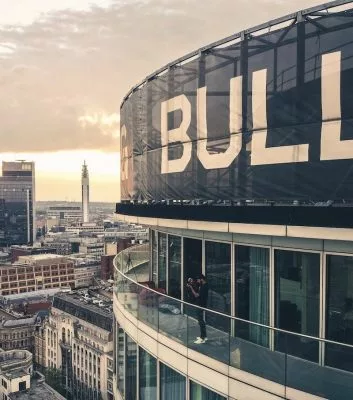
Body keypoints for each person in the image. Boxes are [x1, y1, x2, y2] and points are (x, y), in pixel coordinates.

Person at [187, 274, 208, 344]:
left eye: (199, 280)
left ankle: (202, 338)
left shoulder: (204, 287)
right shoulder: (203, 286)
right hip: (200, 305)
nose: (198, 281)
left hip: (201, 305)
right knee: (201, 321)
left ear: (202, 279)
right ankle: (204, 336)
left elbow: (196, 295)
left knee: (201, 321)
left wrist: (191, 288)